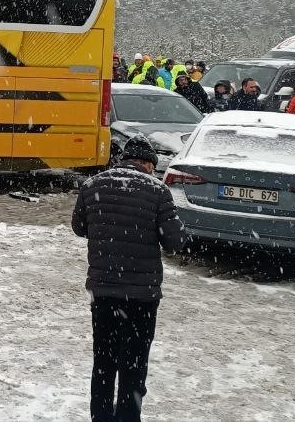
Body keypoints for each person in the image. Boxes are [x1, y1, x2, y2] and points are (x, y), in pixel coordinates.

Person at [72, 135, 187, 422]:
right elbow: (174, 241)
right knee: (133, 365)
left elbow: (79, 227)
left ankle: (101, 416)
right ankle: (128, 415)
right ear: (148, 164)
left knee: (104, 361)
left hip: (103, 291)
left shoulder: (92, 185)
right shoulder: (158, 191)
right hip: (142, 296)